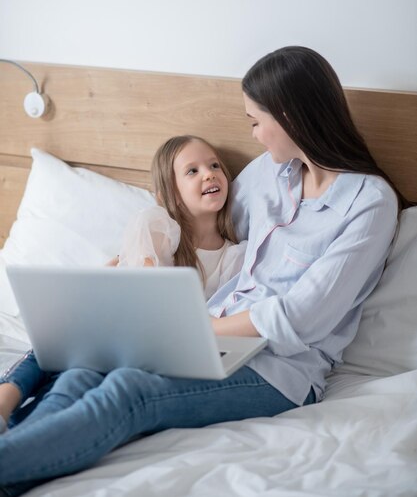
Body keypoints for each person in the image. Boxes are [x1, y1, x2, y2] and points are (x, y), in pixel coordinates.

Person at [0, 46, 403, 496]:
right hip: (206, 332)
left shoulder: (369, 203)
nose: (254, 135)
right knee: (82, 373)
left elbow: (302, 318)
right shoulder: (269, 176)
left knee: (129, 391)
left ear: (288, 117)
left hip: (281, 371)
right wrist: (135, 264)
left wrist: (199, 330)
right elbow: (198, 213)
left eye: (255, 120)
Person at [0, 135, 246, 435]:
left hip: (153, 347)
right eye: (192, 171)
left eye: (214, 165)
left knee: (74, 384)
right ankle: (6, 398)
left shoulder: (234, 257)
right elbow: (144, 291)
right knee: (68, 336)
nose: (208, 173)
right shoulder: (159, 224)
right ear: (171, 194)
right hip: (115, 321)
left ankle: (23, 433)